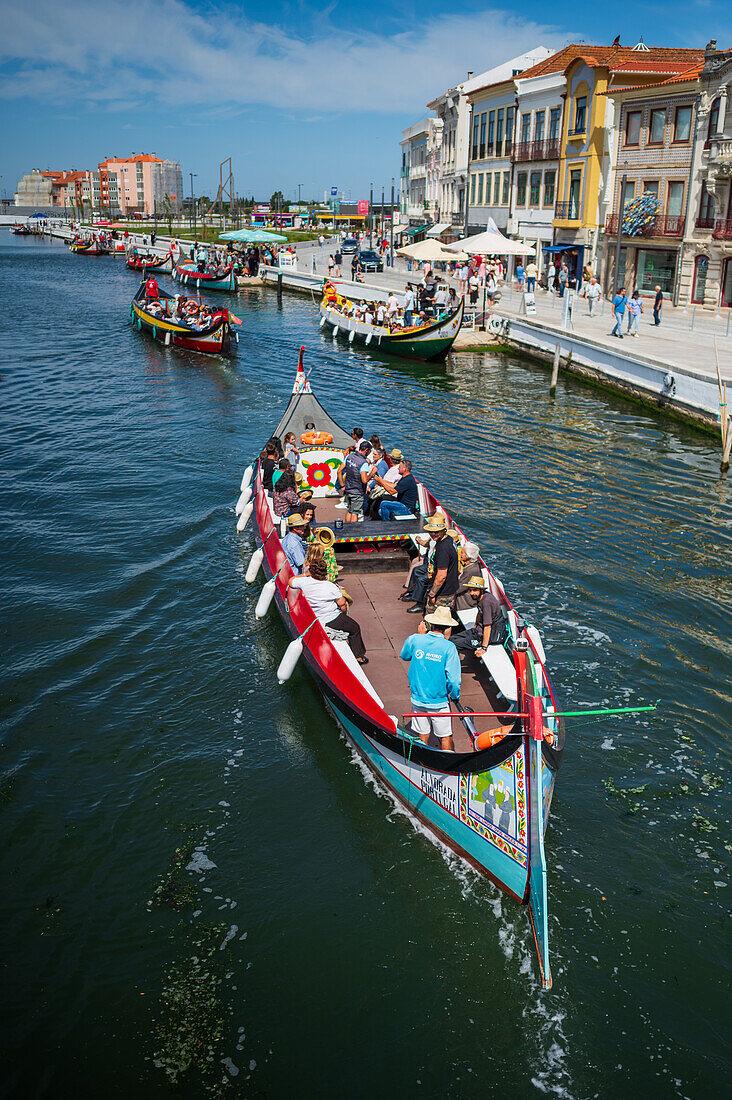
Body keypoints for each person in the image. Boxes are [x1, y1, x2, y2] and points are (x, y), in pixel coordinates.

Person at [400, 606, 461, 751]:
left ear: (430, 624)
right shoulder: (449, 647)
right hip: (439, 702)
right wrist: (455, 695)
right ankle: (448, 762)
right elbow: (453, 679)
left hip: (418, 698)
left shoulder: (415, 639)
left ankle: (423, 760)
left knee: (423, 734)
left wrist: (419, 636)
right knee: (445, 736)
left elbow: (405, 655)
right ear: (447, 627)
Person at [287, 557, 368, 663]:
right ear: (325, 572)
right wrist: (344, 615)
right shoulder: (330, 586)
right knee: (355, 628)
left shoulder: (304, 582)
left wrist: (306, 575)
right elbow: (342, 604)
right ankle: (358, 657)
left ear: (311, 571)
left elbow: (291, 581)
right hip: (331, 618)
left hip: (314, 617)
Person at [405, 513, 459, 613]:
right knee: (445, 621)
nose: (433, 534)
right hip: (448, 588)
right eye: (431, 531)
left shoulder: (443, 549)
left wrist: (432, 594)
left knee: (433, 619)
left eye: (436, 532)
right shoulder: (448, 540)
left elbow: (442, 576)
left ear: (443, 530)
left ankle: (419, 603)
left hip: (443, 593)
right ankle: (412, 593)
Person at [450, 576, 505, 656]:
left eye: (475, 590)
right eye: (470, 590)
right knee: (451, 639)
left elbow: (487, 626)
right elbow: (479, 613)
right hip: (477, 631)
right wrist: (475, 627)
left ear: (482, 590)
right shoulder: (481, 597)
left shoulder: (486, 602)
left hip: (483, 636)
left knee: (454, 644)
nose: (471, 593)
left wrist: (484, 648)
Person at [337, 439, 371, 522]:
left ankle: (346, 529)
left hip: (348, 489)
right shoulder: (363, 463)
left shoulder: (349, 456)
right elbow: (364, 480)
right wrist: (372, 473)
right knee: (355, 513)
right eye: (370, 451)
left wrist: (342, 486)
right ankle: (353, 532)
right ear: (366, 450)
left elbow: (339, 471)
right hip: (357, 491)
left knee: (349, 510)